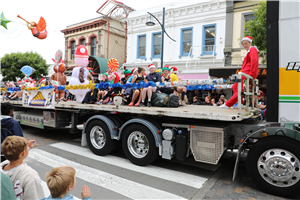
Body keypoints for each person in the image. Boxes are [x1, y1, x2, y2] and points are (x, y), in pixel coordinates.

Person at [0, 136, 44, 200]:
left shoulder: (2, 165)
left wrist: (27, 147)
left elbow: (14, 154)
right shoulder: (30, 175)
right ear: (23, 153)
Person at [220, 36, 259, 108]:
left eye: (246, 43)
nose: (244, 45)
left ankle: (228, 104)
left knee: (237, 87)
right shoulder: (249, 50)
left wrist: (251, 75)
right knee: (235, 87)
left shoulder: (252, 49)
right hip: (245, 73)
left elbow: (254, 62)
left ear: (250, 43)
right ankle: (240, 103)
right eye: (243, 44)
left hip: (247, 73)